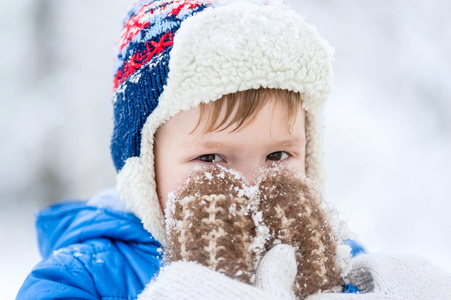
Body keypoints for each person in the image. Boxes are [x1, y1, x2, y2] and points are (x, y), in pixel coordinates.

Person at [17, 0, 451, 299]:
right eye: (211, 158)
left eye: (278, 156)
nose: (248, 186)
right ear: (144, 167)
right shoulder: (83, 276)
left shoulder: (338, 262)